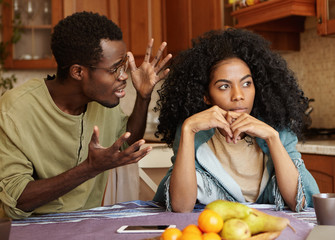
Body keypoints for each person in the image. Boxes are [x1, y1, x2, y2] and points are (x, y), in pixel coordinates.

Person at [0, 11, 171, 219]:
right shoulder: (15, 109)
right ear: (78, 72)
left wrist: (143, 97)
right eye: (115, 69)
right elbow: (16, 200)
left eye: (123, 66)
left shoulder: (102, 101)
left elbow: (125, 143)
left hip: (87, 223)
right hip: (30, 229)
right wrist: (90, 168)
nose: (123, 76)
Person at [153, 28, 319, 213]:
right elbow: (181, 207)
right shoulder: (195, 133)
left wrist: (272, 138)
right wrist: (188, 129)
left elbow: (300, 202)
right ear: (206, 96)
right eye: (224, 86)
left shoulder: (277, 128)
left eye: (246, 83)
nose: (238, 96)